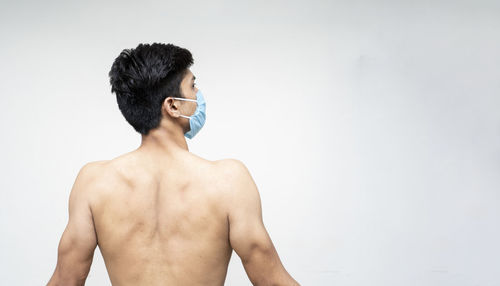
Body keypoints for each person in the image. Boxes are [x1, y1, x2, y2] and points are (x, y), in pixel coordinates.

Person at [46, 43, 300, 286]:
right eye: (193, 86)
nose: (199, 95)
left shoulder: (94, 182)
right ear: (173, 105)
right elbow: (271, 281)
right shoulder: (228, 180)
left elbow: (66, 281)